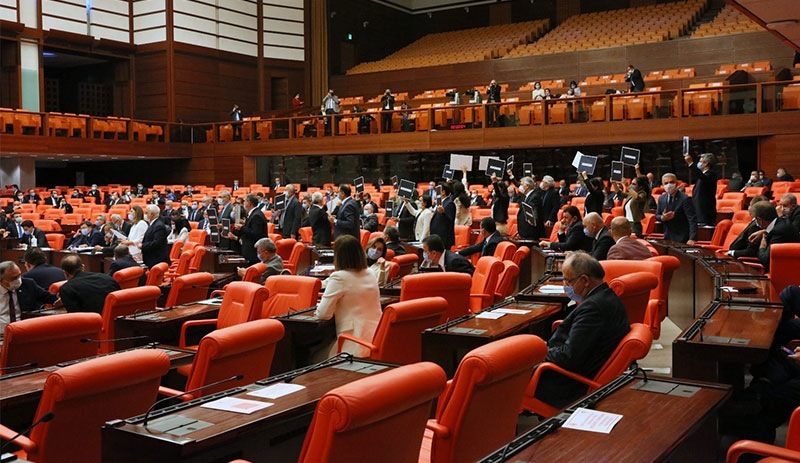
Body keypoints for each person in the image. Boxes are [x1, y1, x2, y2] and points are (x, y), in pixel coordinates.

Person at [534, 252, 630, 408]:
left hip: (568, 383)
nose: (565, 285)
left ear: (584, 280)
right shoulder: (607, 297)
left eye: (568, 280)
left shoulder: (593, 309)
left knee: (507, 375)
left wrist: (539, 353)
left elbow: (569, 356)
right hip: (576, 369)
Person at [315, 235, 382, 358]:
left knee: (314, 356)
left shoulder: (339, 277)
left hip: (353, 343)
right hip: (377, 337)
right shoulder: (370, 273)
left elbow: (323, 314)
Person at [0, 261, 57, 331]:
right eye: (14, 278)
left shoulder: (28, 284)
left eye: (19, 275)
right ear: (1, 280)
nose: (18, 280)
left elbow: (50, 297)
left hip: (24, 329)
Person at [754, 201, 800, 271]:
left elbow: (765, 260)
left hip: (784, 272)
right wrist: (765, 231)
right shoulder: (782, 221)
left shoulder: (778, 231)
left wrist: (762, 247)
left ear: (759, 220)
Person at [656, 173, 697, 244]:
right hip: (667, 236)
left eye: (671, 182)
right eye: (666, 183)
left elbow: (692, 219)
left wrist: (692, 238)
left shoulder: (685, 199)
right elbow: (657, 215)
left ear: (677, 183)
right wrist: (663, 218)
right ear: (662, 185)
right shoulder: (661, 198)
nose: (669, 185)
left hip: (682, 237)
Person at [228, 194, 268, 266]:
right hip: (249, 250)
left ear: (249, 203)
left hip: (253, 251)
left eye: (245, 201)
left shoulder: (256, 215)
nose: (243, 203)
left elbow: (256, 234)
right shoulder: (254, 214)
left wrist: (242, 228)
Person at [685, 152, 717, 225]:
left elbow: (701, 177)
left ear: (706, 163)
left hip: (705, 211)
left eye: (700, 161)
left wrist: (690, 163)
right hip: (698, 209)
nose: (698, 163)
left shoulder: (710, 174)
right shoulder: (704, 175)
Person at [621, 171, 650, 237]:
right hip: (627, 223)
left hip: (635, 224)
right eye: (631, 183)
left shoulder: (643, 194)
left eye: (634, 184)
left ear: (640, 187)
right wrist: (614, 184)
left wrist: (628, 187)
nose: (631, 185)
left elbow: (637, 198)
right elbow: (620, 194)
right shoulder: (631, 194)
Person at [141, 205, 170, 269]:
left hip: (156, 259)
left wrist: (142, 246)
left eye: (146, 213)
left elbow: (157, 243)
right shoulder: (153, 224)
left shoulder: (158, 226)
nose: (145, 215)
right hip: (152, 258)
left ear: (152, 214)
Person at [430, 182, 456, 249]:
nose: (436, 193)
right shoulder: (440, 203)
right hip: (437, 237)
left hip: (444, 238)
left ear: (443, 192)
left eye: (438, 191)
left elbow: (450, 220)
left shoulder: (449, 203)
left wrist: (443, 213)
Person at [517, 176, 543, 240]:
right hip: (524, 232)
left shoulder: (534, 196)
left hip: (530, 232)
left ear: (527, 186)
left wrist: (533, 219)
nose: (520, 187)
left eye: (521, 184)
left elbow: (534, 209)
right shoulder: (526, 196)